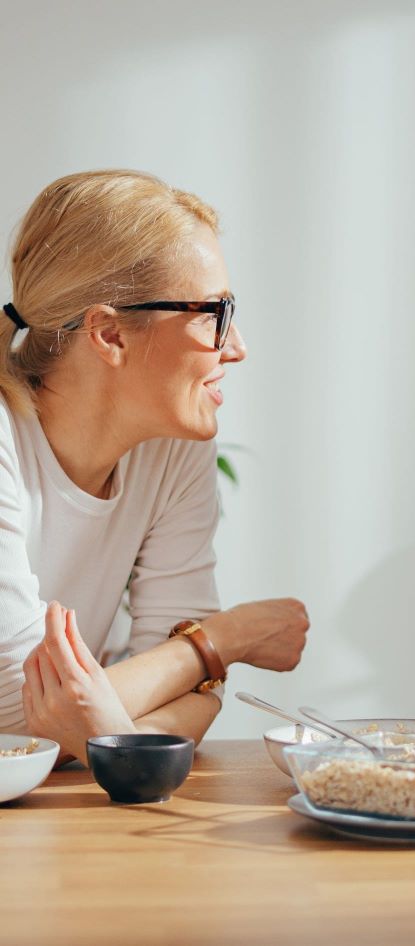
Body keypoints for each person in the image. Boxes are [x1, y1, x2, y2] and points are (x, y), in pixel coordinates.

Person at [0, 169, 309, 765]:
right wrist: (224, 638)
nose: (236, 346)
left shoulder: (175, 445)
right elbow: (20, 714)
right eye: (212, 314)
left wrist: (103, 727)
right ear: (110, 333)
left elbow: (193, 694)